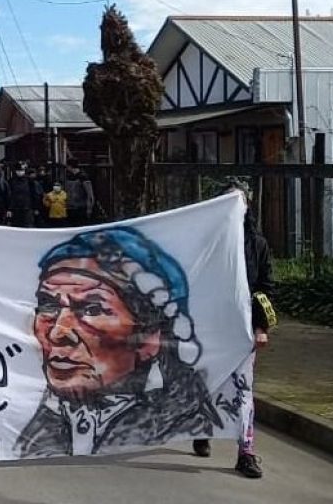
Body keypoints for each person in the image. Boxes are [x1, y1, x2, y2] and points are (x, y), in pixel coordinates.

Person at [16, 226, 220, 458]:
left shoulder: (183, 418)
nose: (57, 332)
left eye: (91, 309)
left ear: (150, 338)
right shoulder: (31, 423)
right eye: (49, 305)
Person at [192, 179, 275, 479]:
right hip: (211, 327)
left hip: (241, 331)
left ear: (247, 205)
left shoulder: (257, 244)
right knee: (208, 382)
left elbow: (264, 288)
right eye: (228, 201)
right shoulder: (208, 243)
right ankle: (202, 428)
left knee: (243, 390)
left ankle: (246, 453)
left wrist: (261, 326)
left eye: (239, 201)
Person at [65, 158, 94, 226]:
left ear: (70, 166)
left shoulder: (83, 177)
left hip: (80, 208)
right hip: (71, 208)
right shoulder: (69, 177)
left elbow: (90, 194)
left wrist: (89, 208)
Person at [7, 163, 35, 228]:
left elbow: (33, 194)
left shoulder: (29, 181)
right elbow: (9, 196)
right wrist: (9, 208)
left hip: (27, 208)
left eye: (21, 170)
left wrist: (34, 207)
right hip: (15, 209)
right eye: (18, 170)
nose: (20, 172)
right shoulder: (12, 181)